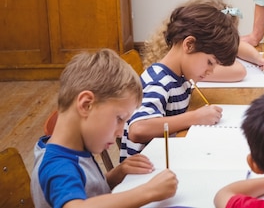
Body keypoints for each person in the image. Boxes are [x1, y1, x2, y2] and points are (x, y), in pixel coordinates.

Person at [31, 49, 178, 208]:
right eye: (119, 119)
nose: (121, 132)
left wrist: (118, 174)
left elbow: (89, 190)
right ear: (86, 105)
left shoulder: (76, 148)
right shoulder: (57, 165)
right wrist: (149, 191)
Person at [119, 0, 240, 161]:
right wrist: (195, 118)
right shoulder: (158, 81)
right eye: (210, 62)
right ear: (189, 45)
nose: (210, 71)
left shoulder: (181, 78)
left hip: (168, 158)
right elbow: (138, 130)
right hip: (147, 172)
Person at [142, 0, 264, 82]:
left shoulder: (191, 49)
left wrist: (258, 58)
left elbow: (239, 46)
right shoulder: (192, 66)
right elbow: (239, 71)